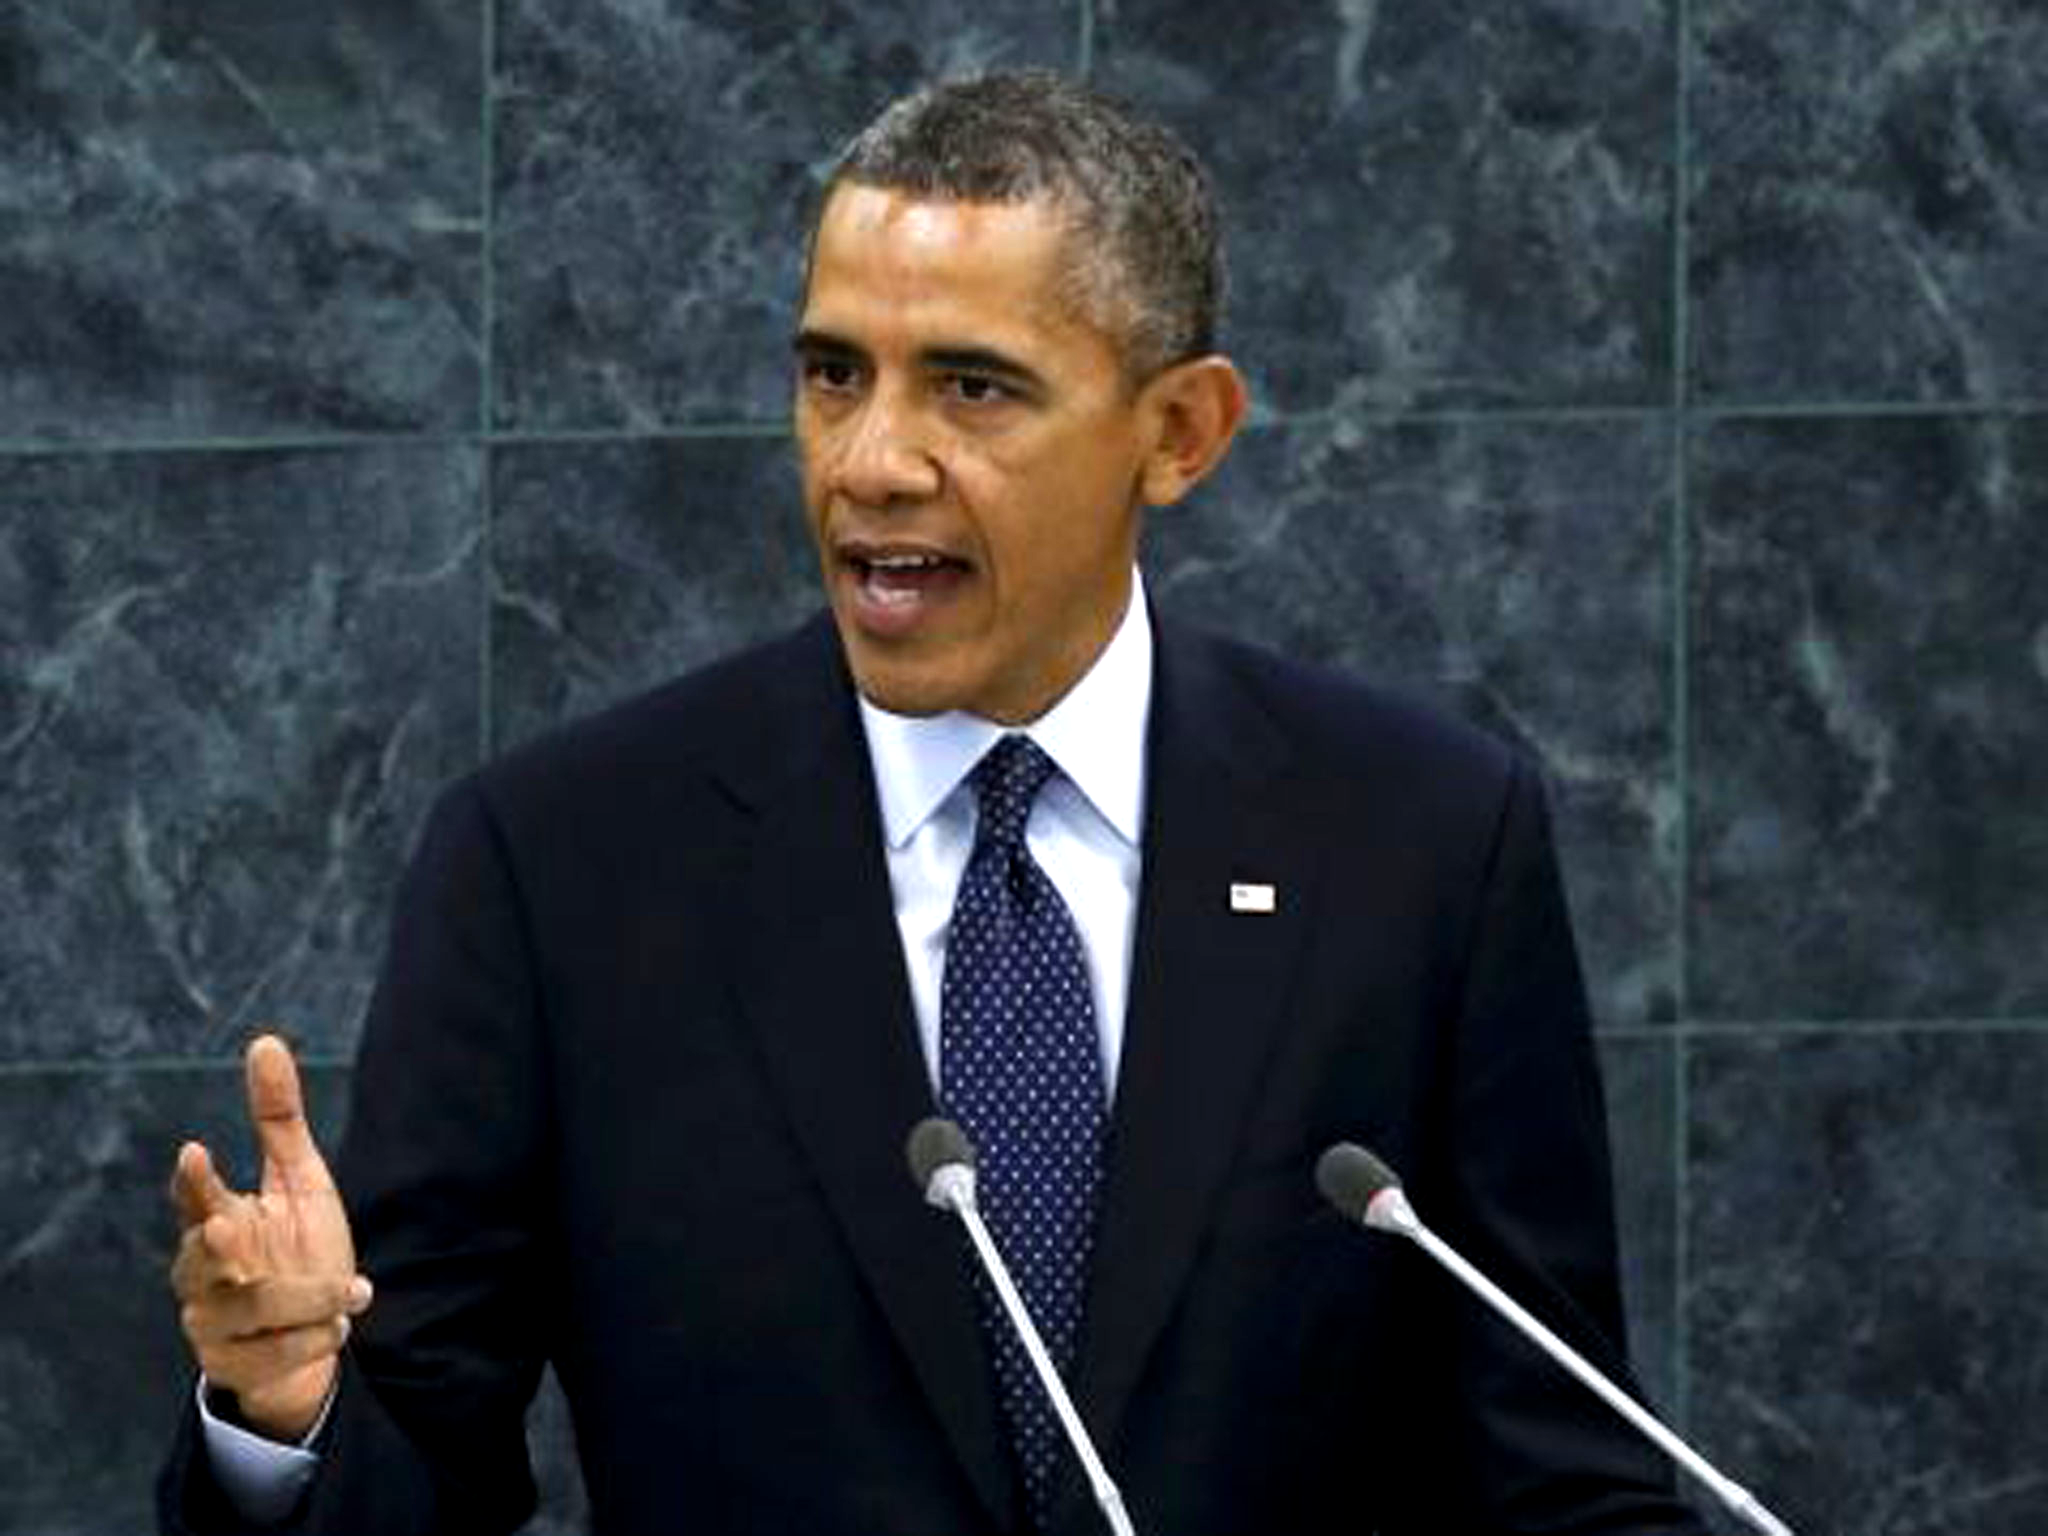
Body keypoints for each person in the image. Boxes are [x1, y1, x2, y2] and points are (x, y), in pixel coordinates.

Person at [160, 69, 1707, 1535]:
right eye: (836, 375)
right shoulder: (562, 866)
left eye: (972, 388)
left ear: (1179, 434)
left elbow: (1554, 1467)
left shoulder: (1417, 840)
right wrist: (287, 1410)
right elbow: (419, 1463)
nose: (873, 460)